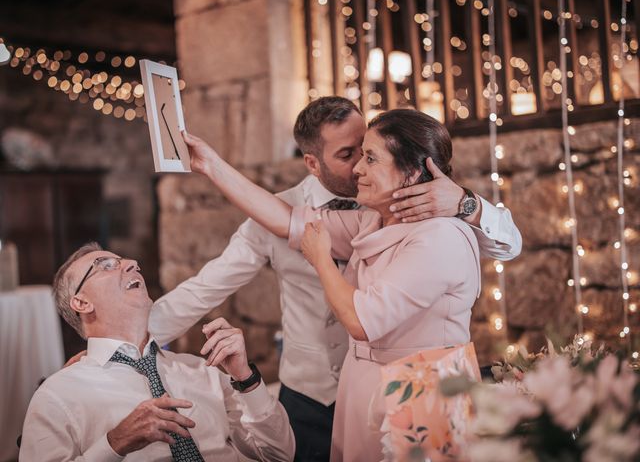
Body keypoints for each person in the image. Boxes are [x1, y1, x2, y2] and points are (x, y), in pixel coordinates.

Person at [149, 97, 521, 461]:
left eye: (368, 154)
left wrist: (465, 202)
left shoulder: (438, 219)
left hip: (415, 390)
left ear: (410, 171)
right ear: (312, 162)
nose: (359, 165)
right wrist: (211, 166)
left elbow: (509, 244)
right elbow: (227, 269)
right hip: (320, 392)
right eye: (349, 155)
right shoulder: (371, 215)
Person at [19, 243, 295, 462]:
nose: (131, 264)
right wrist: (114, 443)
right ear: (81, 302)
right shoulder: (58, 394)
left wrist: (246, 379)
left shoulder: (203, 370)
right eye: (105, 265)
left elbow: (279, 454)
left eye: (127, 261)